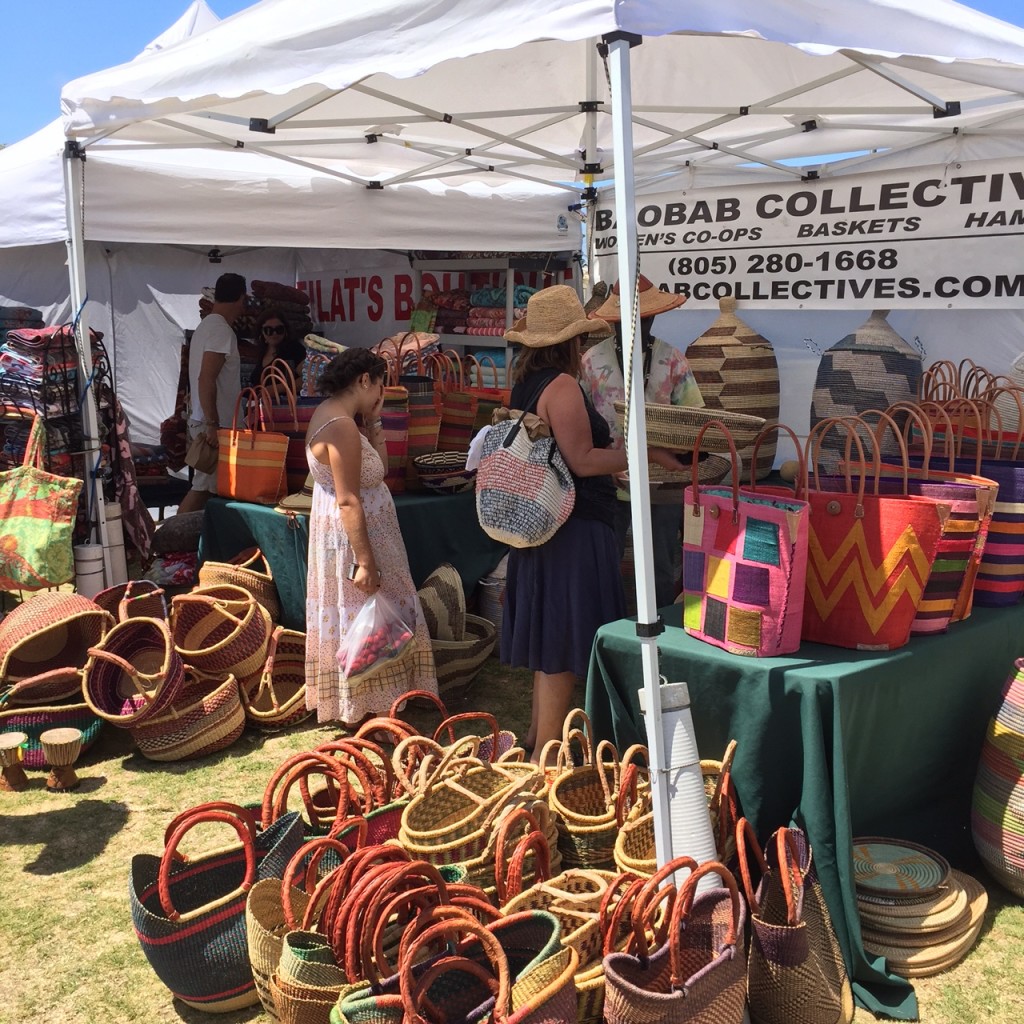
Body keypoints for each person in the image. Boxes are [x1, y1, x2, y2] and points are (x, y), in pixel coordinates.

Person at [499, 285, 685, 760]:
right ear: (571, 341)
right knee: (561, 644)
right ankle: (546, 757)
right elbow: (581, 460)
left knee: (549, 640)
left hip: (547, 526)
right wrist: (642, 455)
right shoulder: (562, 386)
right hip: (572, 529)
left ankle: (537, 739)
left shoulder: (528, 383)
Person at [303, 347, 437, 726]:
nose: (382, 393)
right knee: (372, 622)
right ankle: (378, 713)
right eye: (380, 385)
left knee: (368, 620)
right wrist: (365, 562)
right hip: (359, 540)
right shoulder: (341, 426)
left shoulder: (335, 415)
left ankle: (370, 711)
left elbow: (379, 469)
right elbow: (348, 500)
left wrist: (374, 420)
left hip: (357, 536)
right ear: (364, 380)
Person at [580, 274, 705, 608]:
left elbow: (694, 421)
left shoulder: (672, 359)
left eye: (645, 318)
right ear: (614, 321)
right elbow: (582, 422)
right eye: (629, 319)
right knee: (605, 563)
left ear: (653, 319)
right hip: (607, 480)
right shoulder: (591, 361)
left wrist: (670, 449)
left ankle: (659, 628)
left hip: (661, 483)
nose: (638, 325)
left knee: (660, 567)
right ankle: (609, 627)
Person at [177, 272, 247, 515]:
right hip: (215, 425)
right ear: (241, 298)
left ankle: (182, 535)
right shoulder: (220, 330)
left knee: (211, 489)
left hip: (208, 422)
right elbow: (206, 378)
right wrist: (213, 424)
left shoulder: (207, 326)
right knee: (203, 489)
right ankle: (168, 535)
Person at [249, 307, 306, 388]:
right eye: (268, 330)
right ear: (261, 332)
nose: (274, 333)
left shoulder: (294, 349)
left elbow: (307, 379)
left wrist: (277, 389)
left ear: (285, 330)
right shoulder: (262, 351)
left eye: (279, 329)